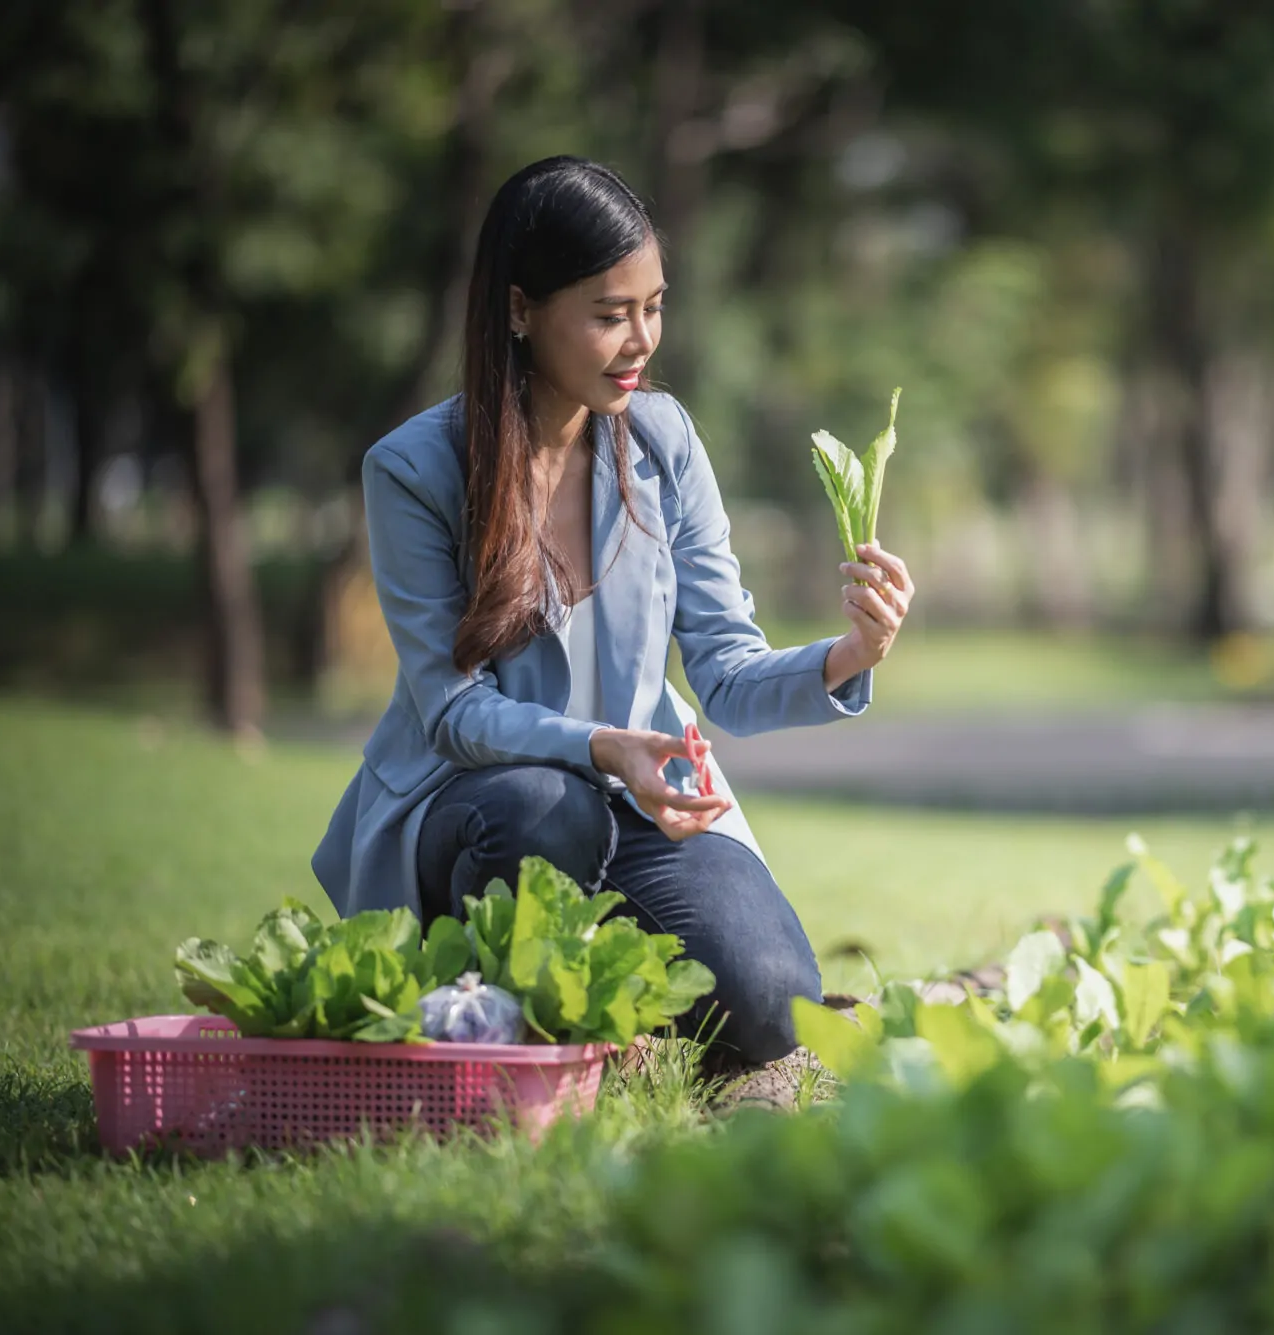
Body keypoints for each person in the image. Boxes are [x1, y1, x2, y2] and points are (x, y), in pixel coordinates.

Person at [309, 156, 913, 1096]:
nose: (641, 341)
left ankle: (606, 1005)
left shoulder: (663, 441)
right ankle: (509, 1024)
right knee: (547, 807)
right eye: (608, 313)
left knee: (776, 997)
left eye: (655, 306)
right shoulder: (415, 470)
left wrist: (852, 652)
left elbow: (725, 670)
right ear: (519, 309)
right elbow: (451, 713)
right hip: (475, 808)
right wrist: (600, 745)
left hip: (640, 804)